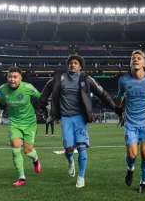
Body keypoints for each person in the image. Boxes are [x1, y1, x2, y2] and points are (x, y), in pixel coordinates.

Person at [41, 54, 121, 188]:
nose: (73, 65)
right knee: (69, 148)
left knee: (82, 147)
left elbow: (102, 94)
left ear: (81, 67)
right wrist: (43, 109)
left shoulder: (86, 79)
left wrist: (115, 108)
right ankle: (70, 161)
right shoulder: (59, 78)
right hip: (65, 118)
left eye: (76, 63)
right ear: (68, 65)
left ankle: (81, 176)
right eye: (71, 63)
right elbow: (44, 94)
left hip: (80, 118)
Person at [119, 50, 145, 193]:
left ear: (144, 63)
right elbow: (120, 98)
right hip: (131, 124)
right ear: (130, 63)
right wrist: (120, 109)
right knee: (132, 155)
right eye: (133, 58)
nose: (136, 59)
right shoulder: (123, 80)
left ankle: (144, 182)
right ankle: (130, 169)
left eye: (139, 58)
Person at [0, 67, 43, 187]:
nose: (12, 79)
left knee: (28, 151)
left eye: (15, 77)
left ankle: (35, 159)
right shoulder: (2, 89)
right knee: (15, 148)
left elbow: (41, 97)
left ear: (20, 78)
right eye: (9, 77)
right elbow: (1, 102)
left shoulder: (28, 87)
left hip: (29, 123)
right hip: (14, 123)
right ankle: (21, 177)